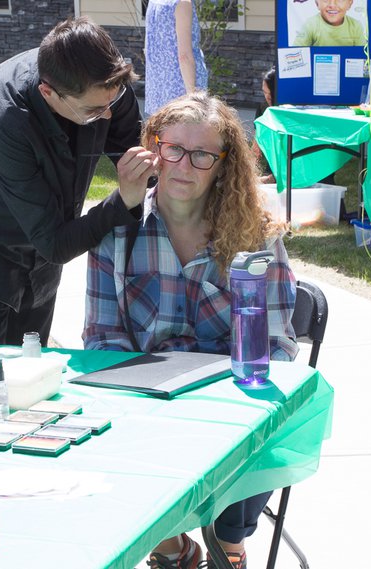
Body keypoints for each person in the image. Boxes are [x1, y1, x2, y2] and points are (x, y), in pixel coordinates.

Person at [83, 92, 298, 569]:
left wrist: (230, 393)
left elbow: (280, 345)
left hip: (229, 403)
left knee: (266, 414)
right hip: (145, 399)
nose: (183, 164)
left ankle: (228, 543)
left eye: (202, 155)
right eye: (172, 148)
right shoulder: (115, 229)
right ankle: (172, 547)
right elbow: (101, 340)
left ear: (223, 165)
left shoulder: (255, 234)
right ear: (152, 149)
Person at [0, 17, 158, 357]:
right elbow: (54, 241)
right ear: (48, 92)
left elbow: (142, 161)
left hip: (43, 261)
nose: (109, 115)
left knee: (33, 373)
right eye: (95, 110)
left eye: (112, 102)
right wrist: (122, 202)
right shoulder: (1, 117)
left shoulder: (105, 86)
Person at [144, 0, 208, 117]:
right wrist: (193, 96)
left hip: (158, 88)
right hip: (181, 88)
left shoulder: (154, 2)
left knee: (163, 132)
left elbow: (148, 48)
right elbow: (184, 55)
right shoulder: (182, 3)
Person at [294, 0, 364, 46]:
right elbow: (297, 51)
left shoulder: (356, 26)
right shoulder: (310, 25)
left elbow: (363, 55)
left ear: (350, 4)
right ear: (317, 3)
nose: (332, 5)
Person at [253, 66, 276, 184]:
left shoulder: (290, 115)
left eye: (271, 92)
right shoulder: (263, 109)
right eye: (264, 92)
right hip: (271, 171)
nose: (268, 97)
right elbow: (255, 151)